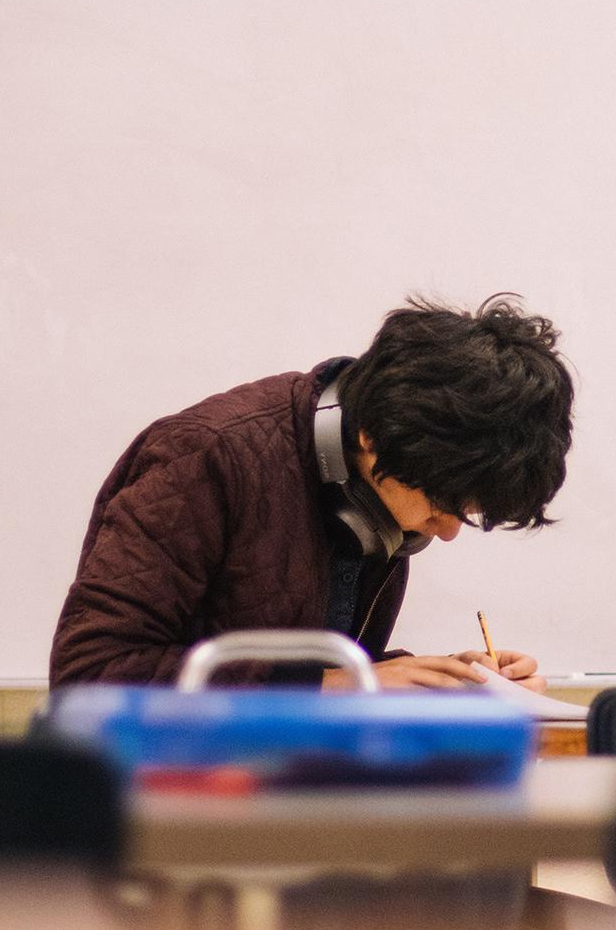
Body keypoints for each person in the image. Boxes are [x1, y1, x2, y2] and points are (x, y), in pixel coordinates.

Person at [49, 294, 575, 690]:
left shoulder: (370, 489)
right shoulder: (205, 455)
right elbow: (90, 674)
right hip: (172, 811)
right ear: (373, 437)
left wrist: (436, 683)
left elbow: (306, 663)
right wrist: (335, 688)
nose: (449, 532)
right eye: (443, 506)